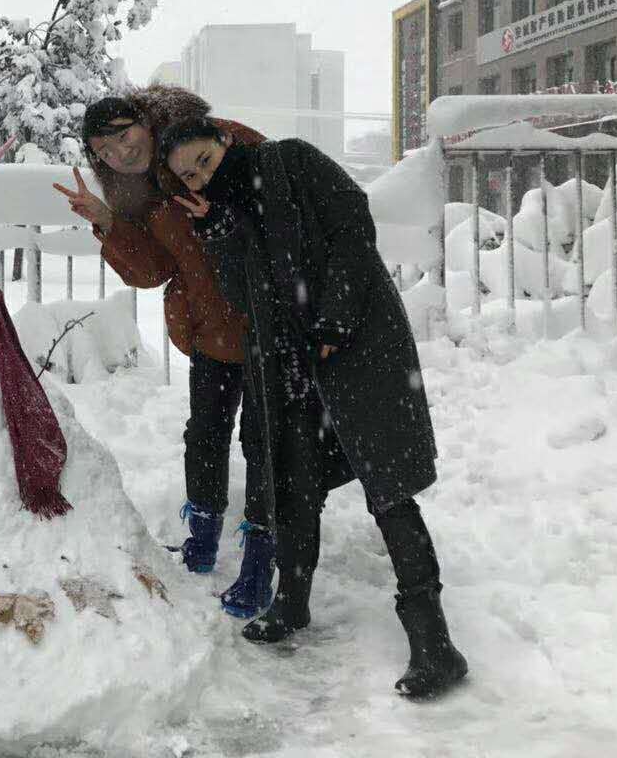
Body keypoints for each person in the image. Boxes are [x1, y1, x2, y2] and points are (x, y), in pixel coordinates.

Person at [160, 117, 468, 699]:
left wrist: (336, 315)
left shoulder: (291, 160)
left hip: (357, 346)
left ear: (223, 142)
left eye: (203, 160)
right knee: (294, 482)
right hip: (291, 364)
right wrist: (221, 230)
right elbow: (239, 292)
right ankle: (291, 603)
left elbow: (353, 228)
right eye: (188, 175)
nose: (201, 175)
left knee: (388, 488)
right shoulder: (228, 211)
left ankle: (435, 643)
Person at [52, 90, 275, 619]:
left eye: (124, 135)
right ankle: (201, 540)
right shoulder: (133, 190)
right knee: (204, 435)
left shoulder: (210, 140)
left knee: (266, 443)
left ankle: (261, 561)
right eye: (101, 148)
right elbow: (151, 271)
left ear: (148, 123)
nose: (117, 152)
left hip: (269, 324)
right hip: (210, 329)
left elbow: (283, 196)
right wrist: (107, 220)